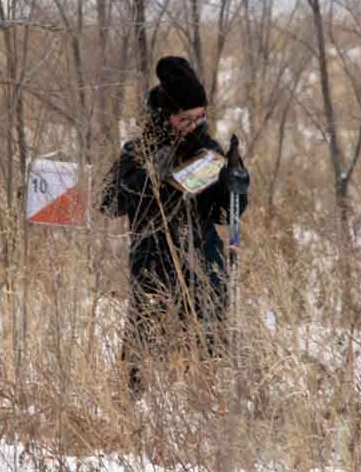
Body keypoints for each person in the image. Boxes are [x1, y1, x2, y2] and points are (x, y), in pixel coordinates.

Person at [99, 56, 249, 397]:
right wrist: (150, 177)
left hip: (204, 275)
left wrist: (235, 185)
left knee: (207, 373)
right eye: (185, 119)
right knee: (137, 375)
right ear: (165, 117)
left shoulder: (209, 153)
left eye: (200, 118)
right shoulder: (137, 152)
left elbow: (226, 215)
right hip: (152, 274)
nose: (193, 126)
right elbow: (107, 202)